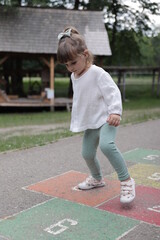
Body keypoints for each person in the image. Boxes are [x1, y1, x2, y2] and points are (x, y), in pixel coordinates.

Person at [57, 27, 135, 204]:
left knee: (107, 146)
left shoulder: (97, 73)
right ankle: (97, 178)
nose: (70, 68)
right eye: (67, 65)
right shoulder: (74, 76)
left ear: (85, 54)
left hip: (107, 118)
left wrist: (115, 111)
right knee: (87, 153)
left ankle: (126, 181)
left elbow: (112, 92)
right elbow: (82, 99)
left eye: (73, 63)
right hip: (91, 121)